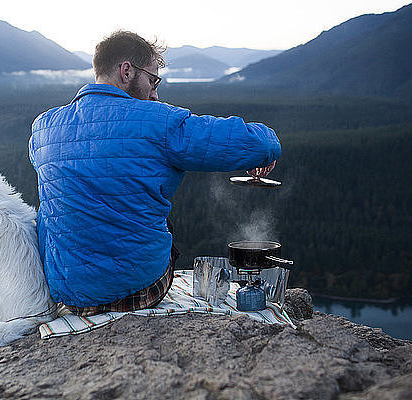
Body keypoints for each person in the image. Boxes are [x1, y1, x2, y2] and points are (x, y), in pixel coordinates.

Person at [29, 30, 280, 316]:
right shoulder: (160, 121)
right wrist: (268, 147)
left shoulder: (43, 128)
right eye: (152, 80)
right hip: (136, 291)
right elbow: (255, 142)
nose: (155, 92)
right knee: (161, 222)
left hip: (67, 294)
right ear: (126, 71)